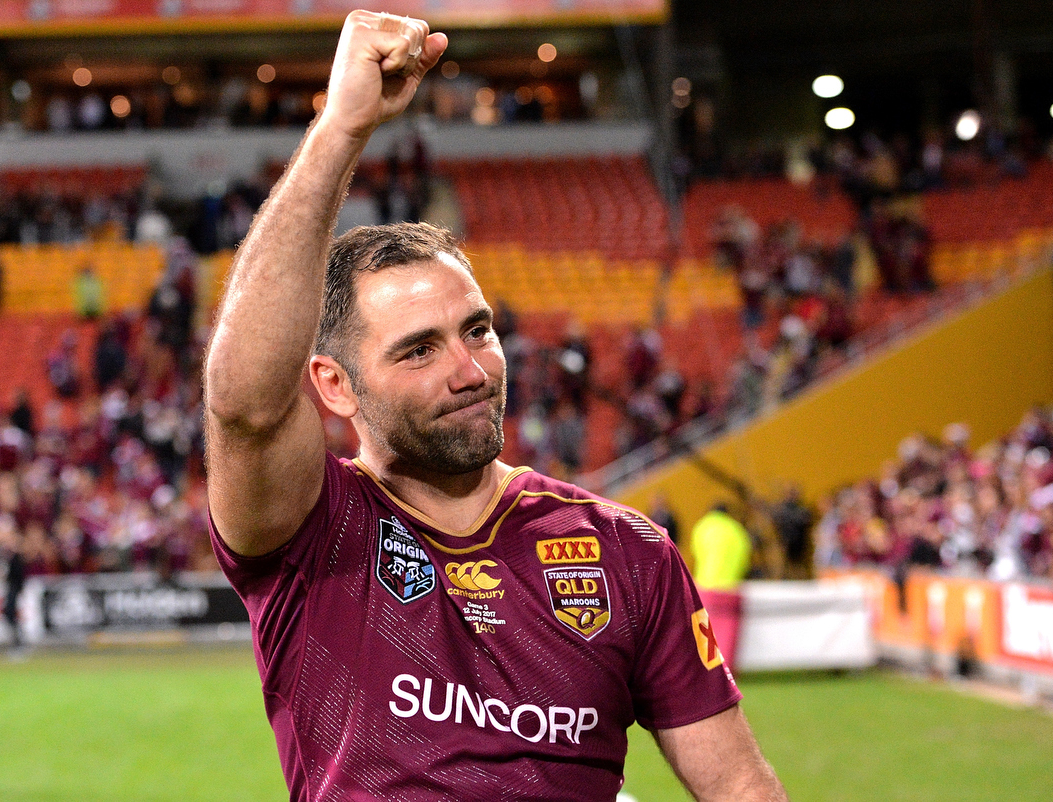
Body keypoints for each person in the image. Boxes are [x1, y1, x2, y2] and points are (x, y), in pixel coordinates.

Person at [204, 11, 786, 802]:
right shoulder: (313, 532)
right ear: (334, 385)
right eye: (417, 349)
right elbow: (245, 407)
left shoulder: (628, 554)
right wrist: (341, 126)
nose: (468, 369)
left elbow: (740, 787)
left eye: (477, 331)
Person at [689, 503, 753, 670]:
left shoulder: (703, 526)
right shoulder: (737, 530)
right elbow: (744, 560)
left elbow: (697, 552)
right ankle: (725, 674)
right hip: (731, 589)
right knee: (727, 637)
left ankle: (706, 672)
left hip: (705, 588)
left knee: (704, 634)